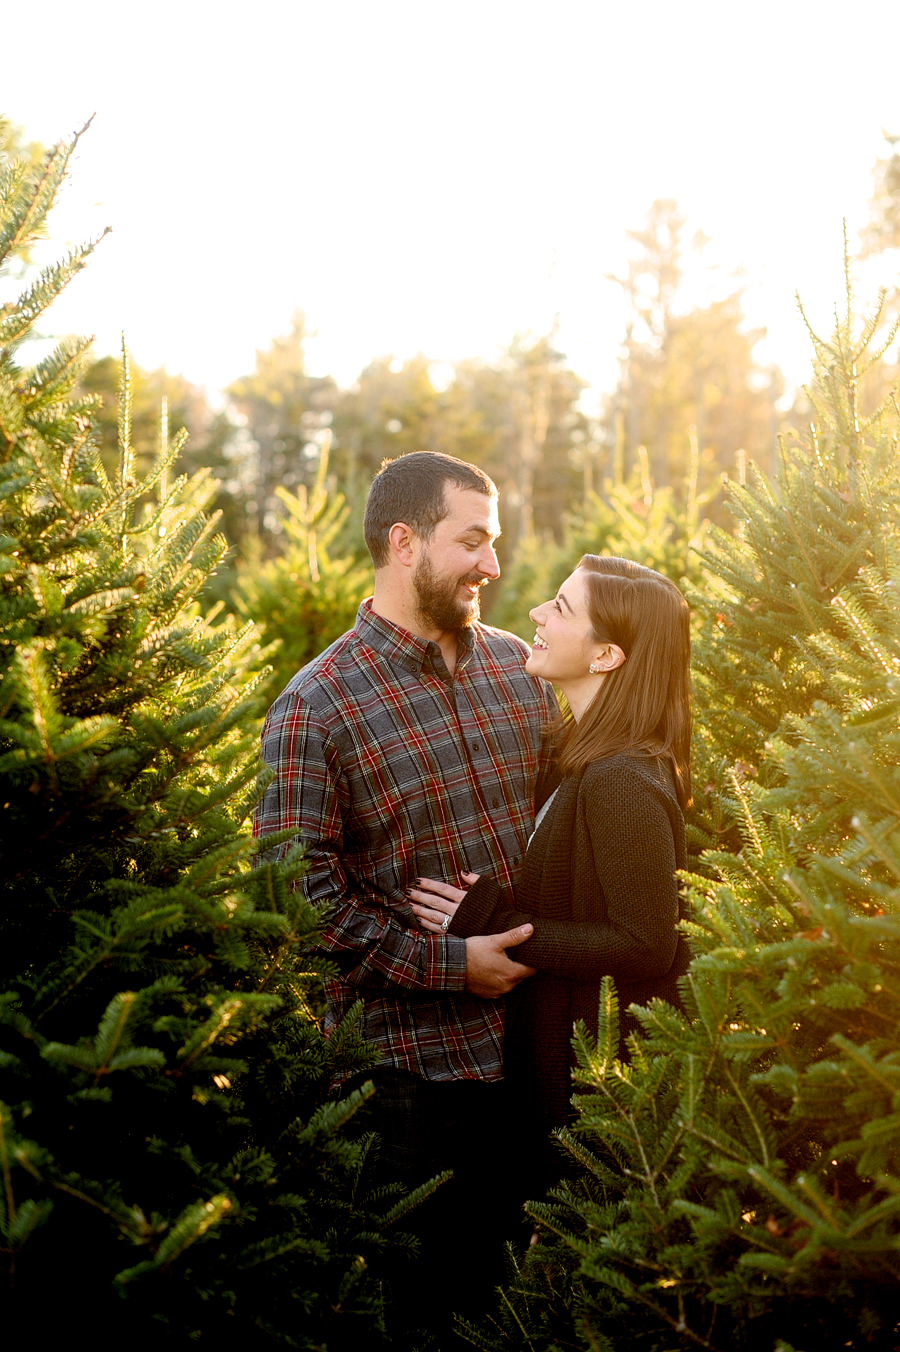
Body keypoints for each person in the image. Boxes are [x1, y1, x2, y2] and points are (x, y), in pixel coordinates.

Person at [253, 451, 558, 1318]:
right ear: (404, 541)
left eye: (494, 543)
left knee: (507, 1307)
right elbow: (293, 895)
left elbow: (561, 838)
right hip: (405, 1085)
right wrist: (448, 964)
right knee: (417, 1309)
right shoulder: (318, 704)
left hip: (531, 1058)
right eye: (473, 541)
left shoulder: (520, 673)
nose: (492, 566)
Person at [410, 554, 692, 1193]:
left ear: (607, 657)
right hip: (566, 1071)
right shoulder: (585, 758)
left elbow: (647, 945)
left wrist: (492, 924)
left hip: (596, 1088)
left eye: (561, 607)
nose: (535, 612)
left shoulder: (620, 776)